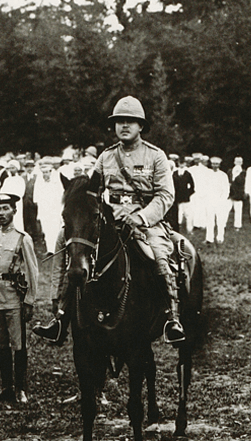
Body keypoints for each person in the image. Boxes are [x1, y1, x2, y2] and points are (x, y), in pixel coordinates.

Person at [34, 95, 185, 345]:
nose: (124, 126)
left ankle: (171, 317)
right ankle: (61, 317)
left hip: (146, 223)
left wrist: (140, 217)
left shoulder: (155, 157)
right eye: (119, 121)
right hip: (108, 222)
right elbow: (92, 190)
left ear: (141, 126)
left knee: (158, 254)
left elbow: (166, 195)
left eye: (130, 121)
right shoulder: (106, 157)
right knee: (72, 247)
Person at [0, 193, 39, 404]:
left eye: (6, 209)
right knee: (0, 344)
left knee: (18, 344)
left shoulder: (23, 238)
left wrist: (29, 301)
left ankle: (21, 388)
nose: (1, 213)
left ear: (14, 211)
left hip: (14, 297)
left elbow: (32, 271)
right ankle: (5, 387)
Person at [204, 156, 231, 244]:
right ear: (211, 164)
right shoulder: (208, 174)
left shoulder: (223, 175)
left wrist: (222, 199)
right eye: (213, 164)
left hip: (220, 201)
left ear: (219, 165)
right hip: (210, 200)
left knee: (220, 220)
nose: (215, 165)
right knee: (209, 220)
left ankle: (220, 238)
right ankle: (209, 238)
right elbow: (205, 187)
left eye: (216, 164)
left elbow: (226, 189)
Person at [228, 156, 246, 230]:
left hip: (238, 193)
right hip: (230, 193)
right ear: (234, 162)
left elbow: (242, 182)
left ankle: (237, 226)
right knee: (226, 209)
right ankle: (222, 223)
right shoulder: (230, 171)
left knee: (238, 210)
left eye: (239, 162)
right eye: (236, 162)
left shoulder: (243, 172)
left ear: (241, 163)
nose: (238, 164)